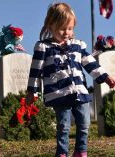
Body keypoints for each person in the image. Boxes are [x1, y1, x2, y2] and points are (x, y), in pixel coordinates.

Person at [25, 2, 115, 157]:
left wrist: (105, 77)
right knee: (63, 125)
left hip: (80, 91)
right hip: (59, 93)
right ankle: (62, 152)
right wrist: (31, 91)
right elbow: (35, 71)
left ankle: (81, 150)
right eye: (62, 28)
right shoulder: (43, 47)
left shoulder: (77, 45)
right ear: (50, 25)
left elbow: (90, 63)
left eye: (70, 28)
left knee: (84, 123)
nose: (67, 32)